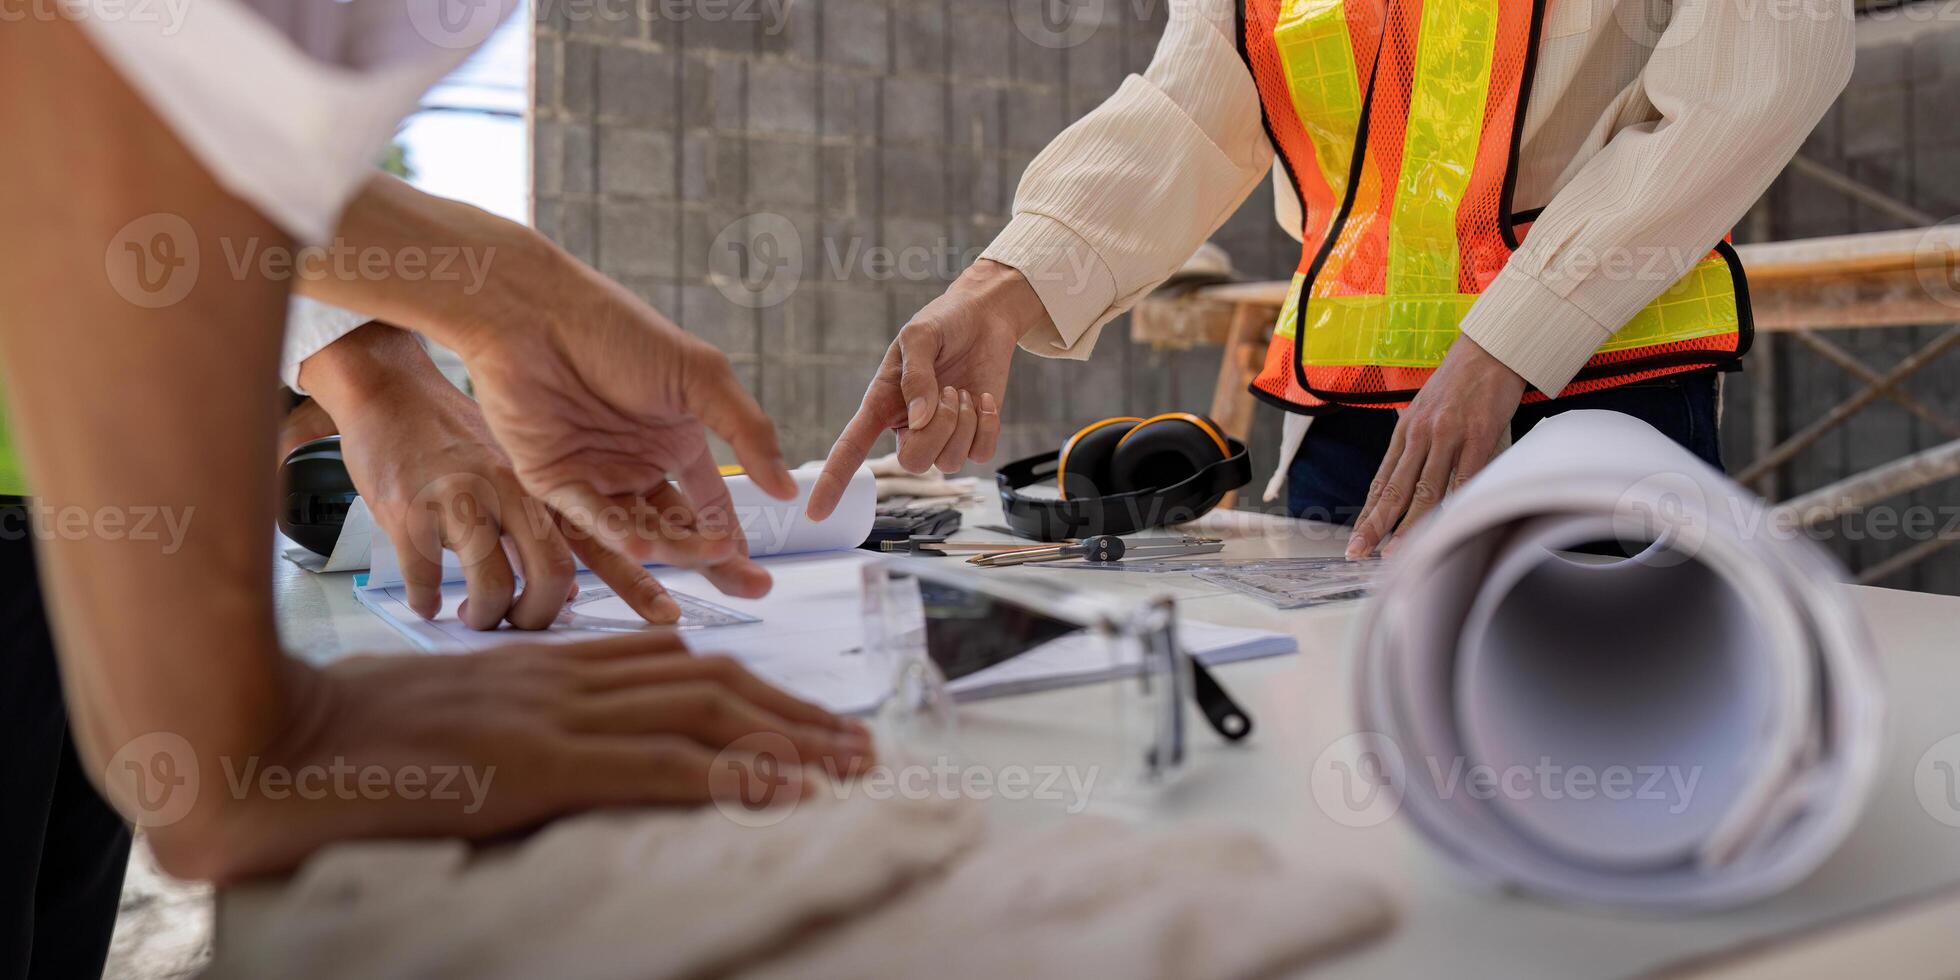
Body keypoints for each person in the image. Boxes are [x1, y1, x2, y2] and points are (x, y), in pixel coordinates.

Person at [0, 8, 868, 946]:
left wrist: (489, 305)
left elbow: (175, 116)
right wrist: (242, 731)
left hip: (84, 488)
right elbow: (91, 86)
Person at [809, 0, 1853, 561]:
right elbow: (1191, 106)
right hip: (1354, 425)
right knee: (1354, 754)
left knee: (1611, 752)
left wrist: (1509, 339)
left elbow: (1754, 84)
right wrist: (1000, 284)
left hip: (1602, 397)